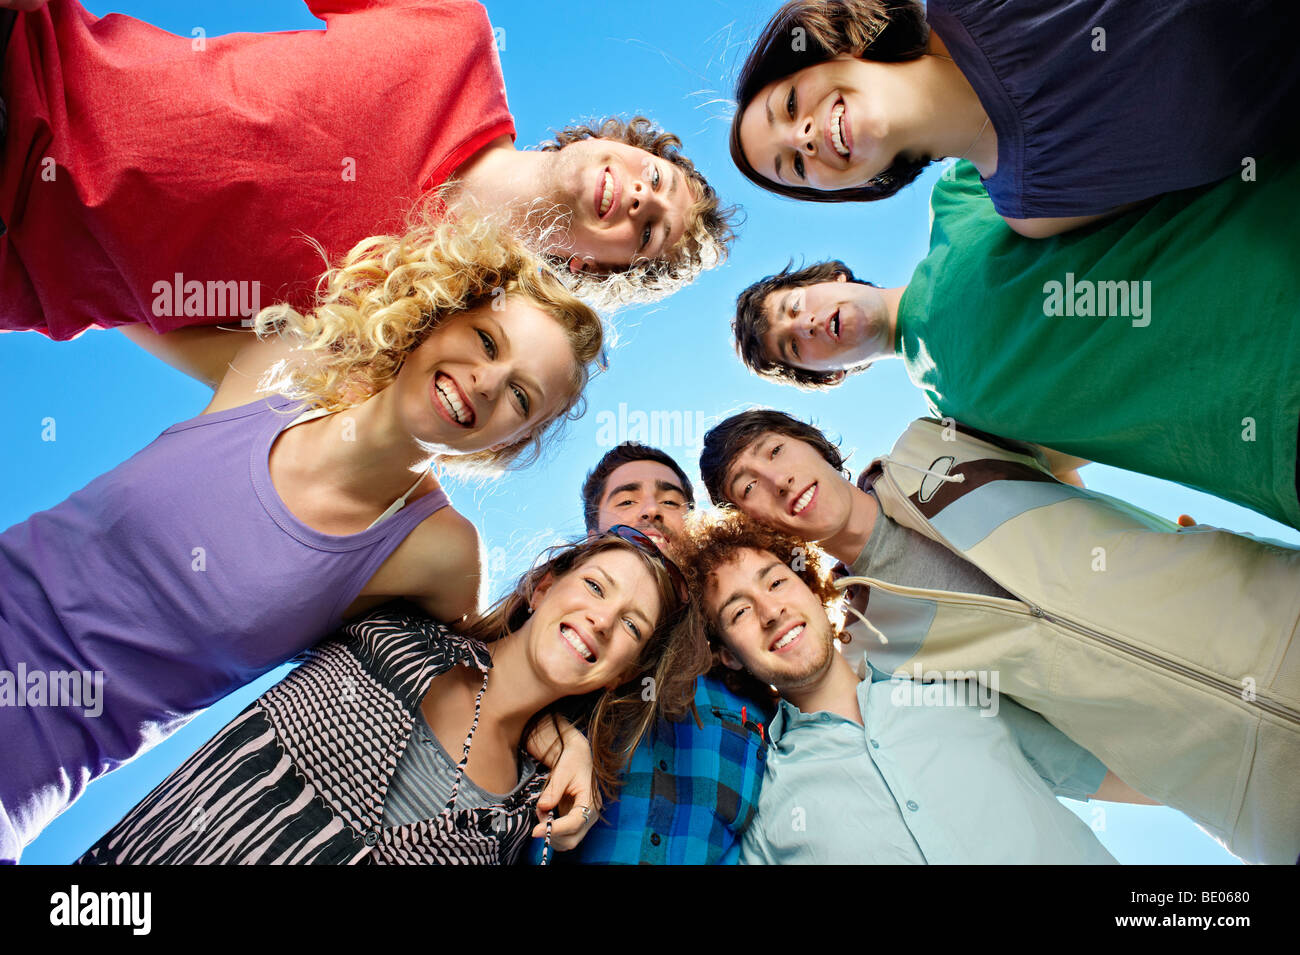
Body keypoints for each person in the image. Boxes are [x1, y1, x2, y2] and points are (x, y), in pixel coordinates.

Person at [0, 212, 605, 862]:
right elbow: (83, 286)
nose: (486, 381)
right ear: (445, 311)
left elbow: (483, 681)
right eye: (487, 341)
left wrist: (565, 741)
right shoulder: (283, 363)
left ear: (512, 439)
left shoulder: (437, 553)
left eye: (520, 395)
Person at [697, 409, 1300, 864]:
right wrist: (1202, 795)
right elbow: (1037, 749)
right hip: (1248, 779)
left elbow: (1100, 430)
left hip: (1269, 609)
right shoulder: (873, 648)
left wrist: (1151, 556)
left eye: (776, 450)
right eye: (747, 488)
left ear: (815, 444)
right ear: (753, 525)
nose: (775, 479)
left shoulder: (936, 441)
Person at [0, 0, 737, 340]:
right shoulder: (454, 30)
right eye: (658, 180)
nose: (641, 198)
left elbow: (239, 368)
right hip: (27, 58)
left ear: (594, 266)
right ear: (625, 141)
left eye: (648, 235)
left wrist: (90, 289)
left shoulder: (420, 318)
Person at [731, 156, 1300, 530]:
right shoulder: (959, 432)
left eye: (793, 307)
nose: (803, 326)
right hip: (1272, 441)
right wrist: (1166, 546)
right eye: (794, 349)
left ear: (829, 277)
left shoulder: (956, 195)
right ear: (832, 375)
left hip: (1272, 239)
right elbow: (1063, 493)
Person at [76, 527, 696, 864]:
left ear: (621, 674)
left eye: (633, 626)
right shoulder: (395, 626)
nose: (602, 619)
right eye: (594, 584)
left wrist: (570, 742)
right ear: (542, 585)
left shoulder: (526, 820)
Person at [683, 511, 1127, 864]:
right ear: (729, 655)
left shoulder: (957, 687)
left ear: (812, 589)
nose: (771, 610)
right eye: (738, 613)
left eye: (777, 581)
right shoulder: (764, 802)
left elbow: (1131, 772)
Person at [729, 0, 1299, 236]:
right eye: (793, 168)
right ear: (846, 189)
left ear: (834, 50)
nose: (802, 137)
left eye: (788, 104)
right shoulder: (1037, 213)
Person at [535, 442, 768, 864]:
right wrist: (561, 739)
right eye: (626, 500)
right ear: (593, 535)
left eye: (671, 500)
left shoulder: (748, 664)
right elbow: (484, 692)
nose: (650, 510)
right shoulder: (560, 639)